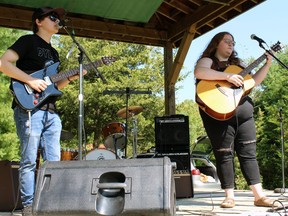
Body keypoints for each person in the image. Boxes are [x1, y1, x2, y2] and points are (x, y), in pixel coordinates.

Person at [0, 6, 84, 215]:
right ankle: (29, 206)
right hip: (29, 109)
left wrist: (72, 76)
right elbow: (4, 63)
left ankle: (51, 202)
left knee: (54, 161)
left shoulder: (54, 52)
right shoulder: (27, 41)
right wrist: (30, 80)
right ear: (38, 21)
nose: (57, 20)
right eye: (52, 17)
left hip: (51, 111)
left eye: (58, 18)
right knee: (29, 160)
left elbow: (55, 85)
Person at [194, 32, 275, 208]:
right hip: (217, 114)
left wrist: (268, 63)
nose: (231, 45)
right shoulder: (209, 61)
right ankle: (229, 196)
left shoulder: (238, 65)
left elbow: (253, 81)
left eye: (233, 42)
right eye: (227, 41)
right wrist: (227, 77)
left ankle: (259, 196)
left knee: (249, 153)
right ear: (216, 44)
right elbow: (200, 72)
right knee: (224, 154)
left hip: (244, 113)